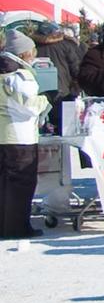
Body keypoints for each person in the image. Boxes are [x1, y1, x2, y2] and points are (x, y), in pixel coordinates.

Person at [0, 31, 48, 239]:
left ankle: (4, 225)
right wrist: (45, 101)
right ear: (27, 53)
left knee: (4, 184)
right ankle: (17, 227)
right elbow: (27, 107)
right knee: (21, 184)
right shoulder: (21, 75)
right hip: (19, 137)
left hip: (3, 135)